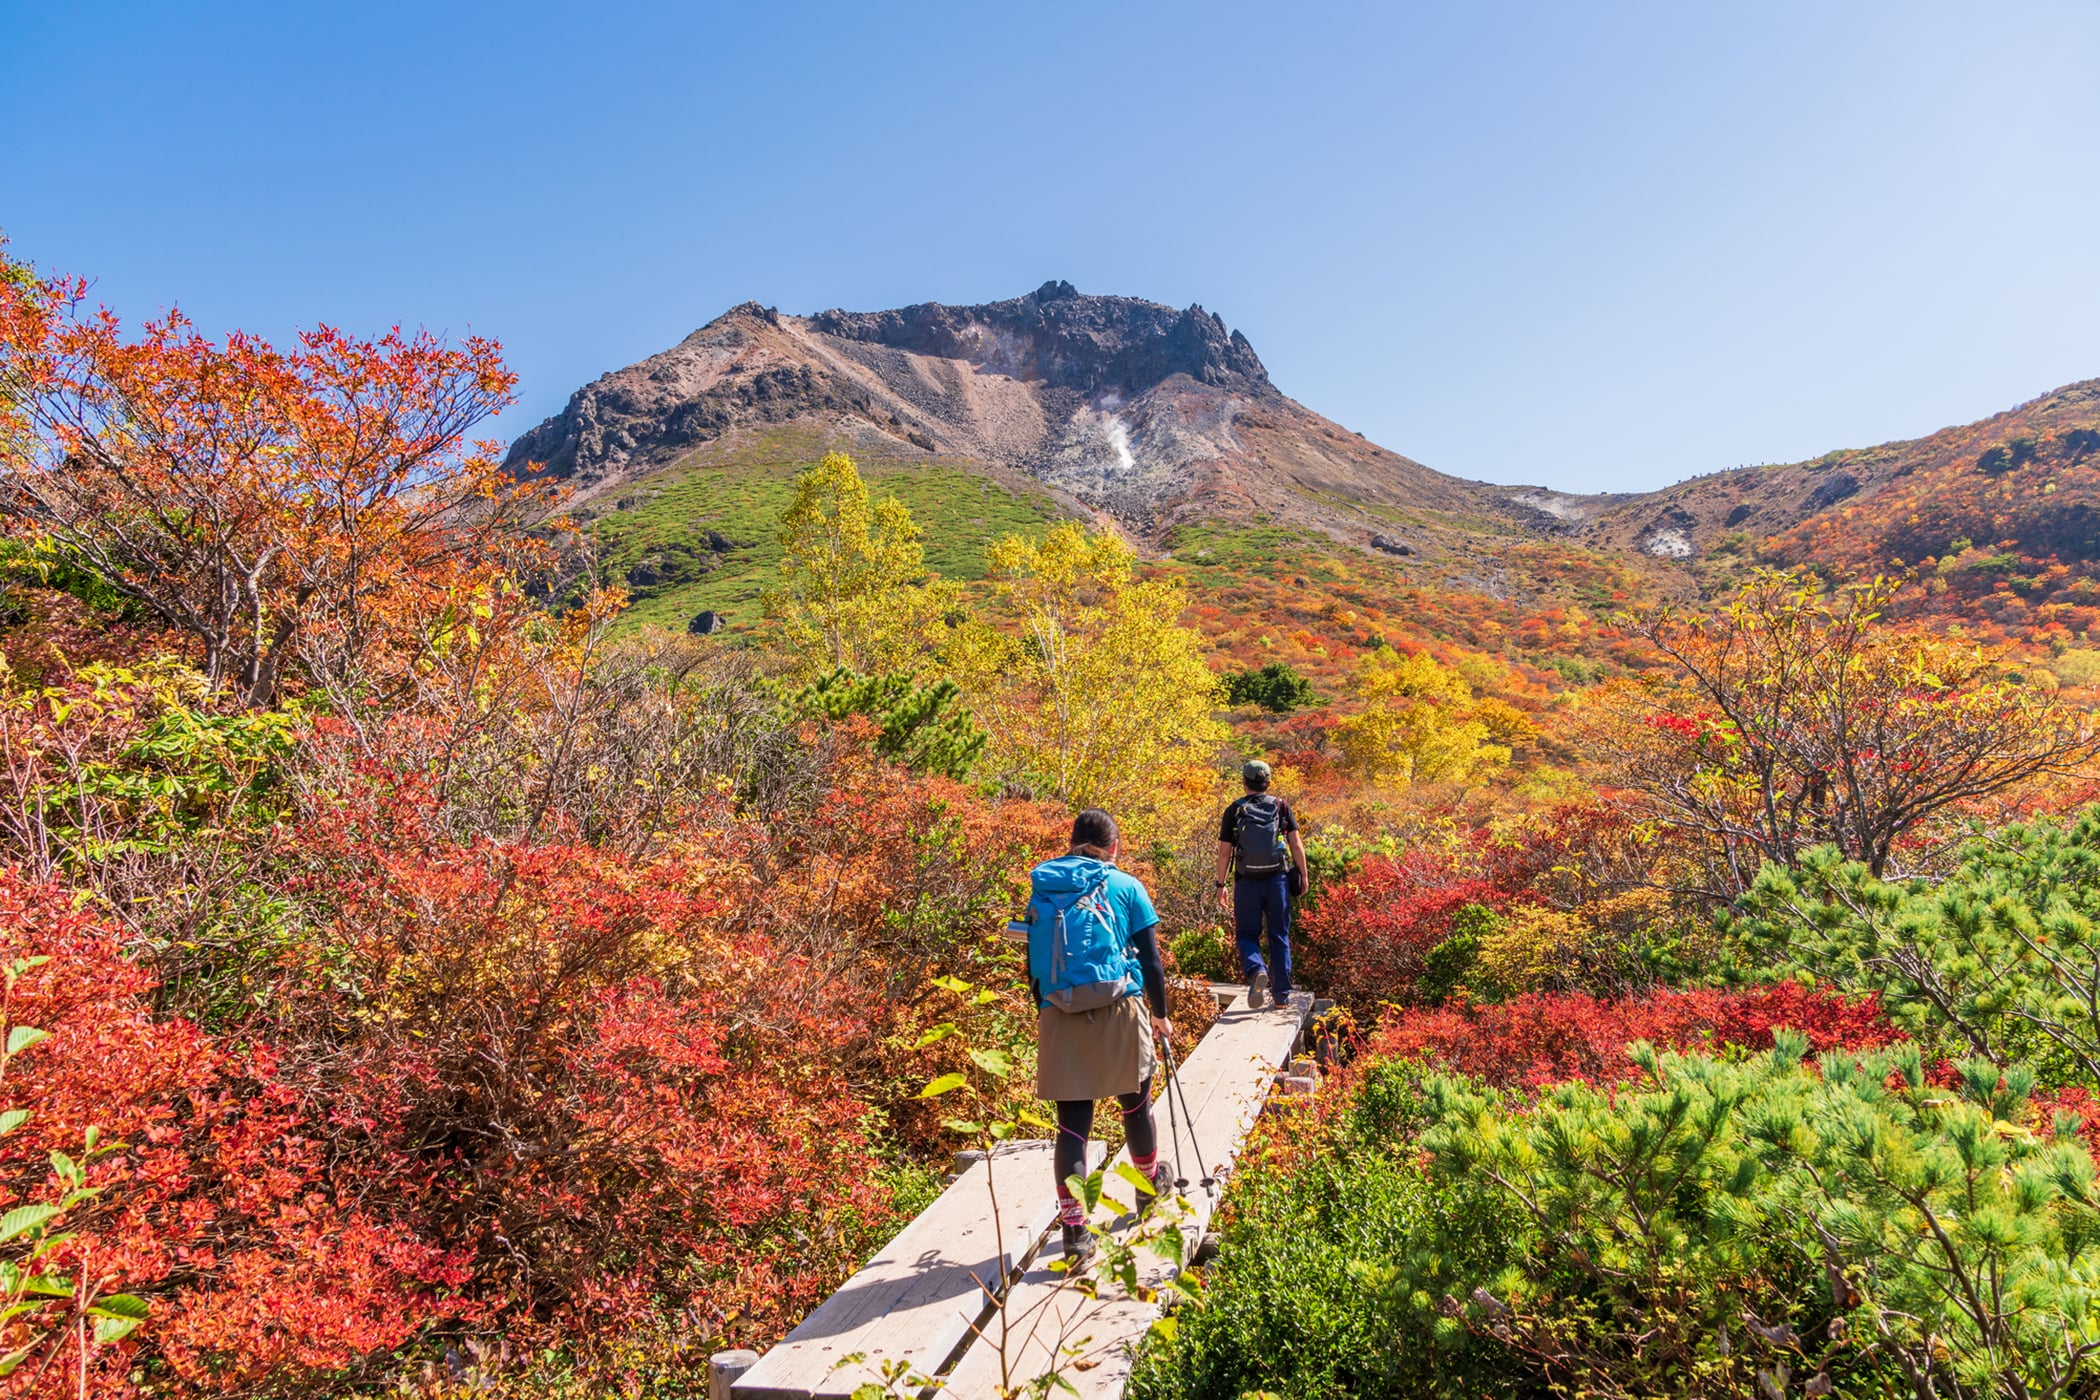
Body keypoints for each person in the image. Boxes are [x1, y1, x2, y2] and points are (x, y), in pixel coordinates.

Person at [1009, 807, 1174, 1265]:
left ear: (1071, 841)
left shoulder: (1044, 887)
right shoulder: (1126, 886)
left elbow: (1034, 960)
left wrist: (1045, 1009)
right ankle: (1147, 1192)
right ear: (1114, 847)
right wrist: (1160, 1016)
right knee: (1135, 1104)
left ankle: (1076, 1234)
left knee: (1072, 1127)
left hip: (1059, 1012)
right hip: (1120, 1007)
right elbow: (1152, 962)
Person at [1214, 759, 1307, 1009]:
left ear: (1244, 782)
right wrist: (1304, 875)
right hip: (1277, 880)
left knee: (1246, 934)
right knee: (1279, 935)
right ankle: (1282, 996)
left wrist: (1220, 884)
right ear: (1268, 782)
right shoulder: (1281, 806)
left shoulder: (1234, 810)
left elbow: (1224, 853)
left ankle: (1256, 970)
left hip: (1247, 883)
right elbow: (1296, 844)